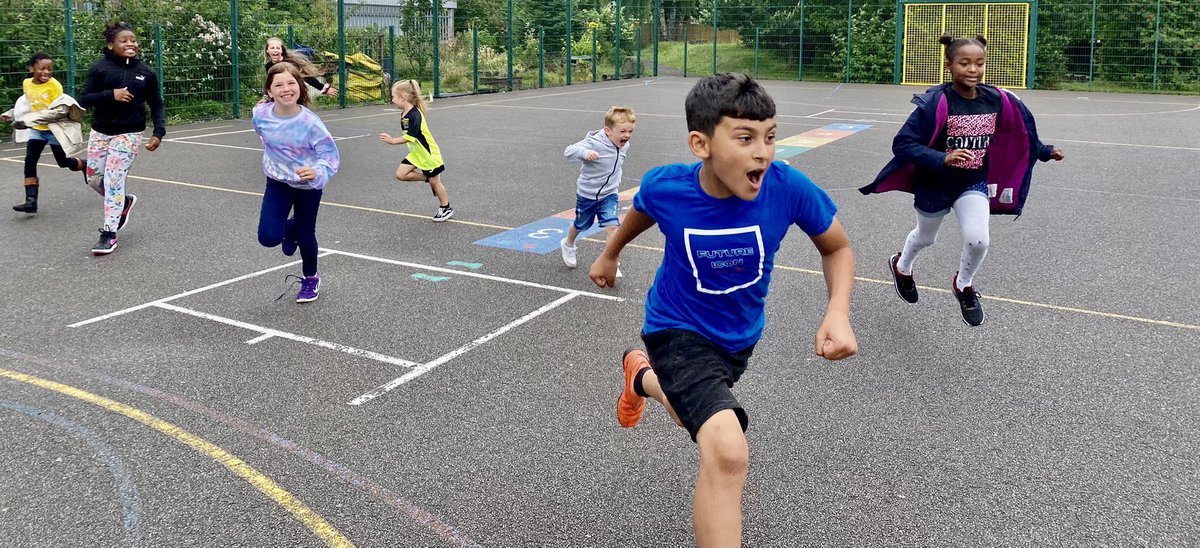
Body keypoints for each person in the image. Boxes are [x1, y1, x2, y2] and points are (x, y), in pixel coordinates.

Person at [588, 73, 858, 548]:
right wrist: (610, 253)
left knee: (693, 415)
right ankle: (650, 370)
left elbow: (836, 247)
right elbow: (641, 212)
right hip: (675, 328)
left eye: (770, 137)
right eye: (745, 138)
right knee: (727, 450)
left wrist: (838, 312)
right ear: (701, 143)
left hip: (738, 338)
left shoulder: (788, 187)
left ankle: (640, 378)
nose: (763, 152)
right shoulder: (668, 188)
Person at [858, 33, 1065, 326]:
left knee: (979, 239)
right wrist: (942, 157)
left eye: (979, 63)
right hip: (934, 184)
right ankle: (902, 266)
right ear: (949, 65)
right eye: (964, 63)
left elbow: (1016, 132)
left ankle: (964, 285)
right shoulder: (935, 103)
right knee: (926, 237)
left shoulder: (996, 99)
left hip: (973, 183)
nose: (973, 70)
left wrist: (1043, 151)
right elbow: (902, 143)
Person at [253, 62, 340, 303]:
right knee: (268, 237)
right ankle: (288, 228)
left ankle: (311, 278)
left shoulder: (310, 123)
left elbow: (330, 156)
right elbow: (262, 134)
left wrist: (317, 171)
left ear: (300, 88)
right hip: (277, 182)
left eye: (291, 83)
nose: (286, 89)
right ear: (269, 92)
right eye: (278, 85)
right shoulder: (260, 114)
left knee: (305, 234)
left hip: (307, 187)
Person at [77, 21, 166, 255]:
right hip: (101, 131)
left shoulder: (145, 72)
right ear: (110, 45)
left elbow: (156, 103)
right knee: (95, 180)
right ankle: (124, 202)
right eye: (124, 40)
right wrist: (111, 94)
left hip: (130, 133)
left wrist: (158, 132)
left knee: (114, 180)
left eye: (133, 40)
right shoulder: (100, 69)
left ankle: (109, 234)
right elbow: (83, 99)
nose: (131, 44)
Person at [2, 53, 86, 213]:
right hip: (37, 131)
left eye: (49, 69)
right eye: (42, 68)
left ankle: (85, 165)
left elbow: (56, 112)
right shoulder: (27, 83)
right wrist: (11, 114)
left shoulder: (54, 86)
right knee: (30, 161)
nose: (46, 72)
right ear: (31, 68)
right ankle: (31, 201)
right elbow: (27, 104)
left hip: (54, 130)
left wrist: (27, 121)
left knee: (62, 162)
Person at [560, 106, 636, 275]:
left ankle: (612, 261)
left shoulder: (625, 145)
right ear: (607, 131)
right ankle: (568, 243)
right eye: (622, 131)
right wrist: (585, 153)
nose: (627, 135)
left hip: (609, 194)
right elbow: (569, 151)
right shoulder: (594, 142)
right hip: (587, 194)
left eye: (630, 131)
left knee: (612, 226)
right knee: (581, 224)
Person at [379, 79, 452, 222]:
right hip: (417, 154)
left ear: (403, 97)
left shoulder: (414, 115)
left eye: (393, 96)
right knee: (401, 174)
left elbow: (411, 136)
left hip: (428, 154)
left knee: (436, 182)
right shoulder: (405, 113)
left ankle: (446, 207)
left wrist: (393, 140)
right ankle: (428, 179)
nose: (392, 100)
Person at [263, 37, 337, 100]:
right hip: (280, 96)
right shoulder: (269, 66)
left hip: (294, 94)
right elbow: (270, 84)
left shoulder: (290, 63)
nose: (275, 50)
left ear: (281, 50)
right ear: (267, 50)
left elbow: (307, 77)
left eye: (278, 48)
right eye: (272, 48)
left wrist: (323, 88)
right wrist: (266, 97)